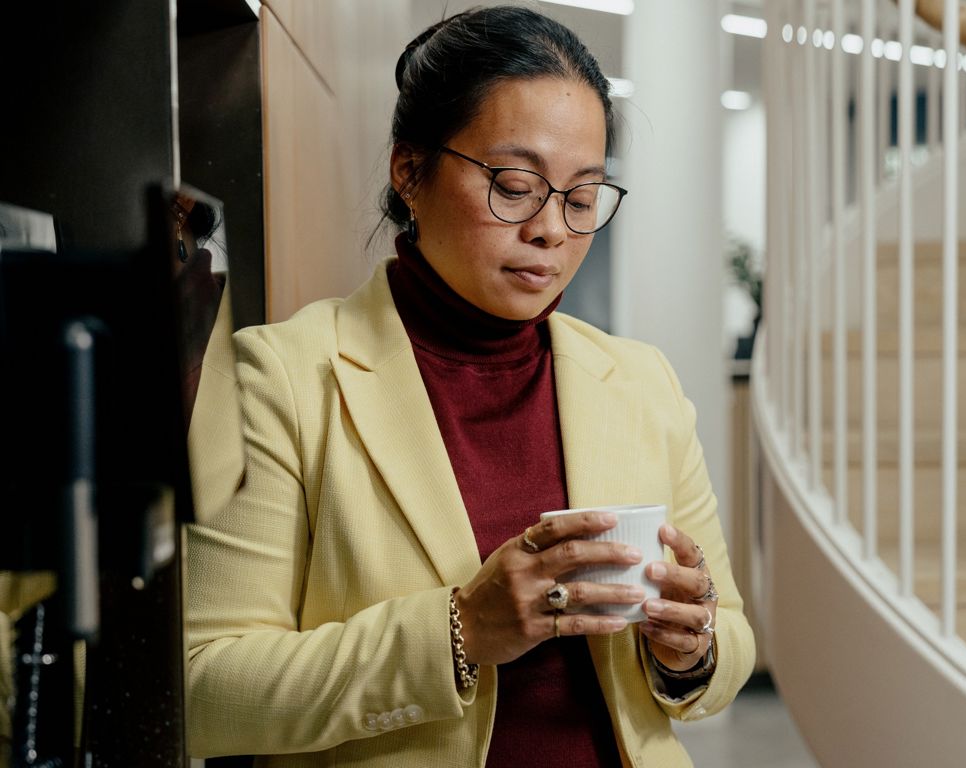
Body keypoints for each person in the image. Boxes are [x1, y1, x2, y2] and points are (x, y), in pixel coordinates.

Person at [185, 6, 755, 767]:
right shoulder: (281, 381)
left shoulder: (640, 383)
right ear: (409, 170)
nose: (553, 229)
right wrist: (458, 630)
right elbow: (202, 689)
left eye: (582, 198)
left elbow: (732, 639)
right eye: (516, 186)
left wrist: (693, 647)